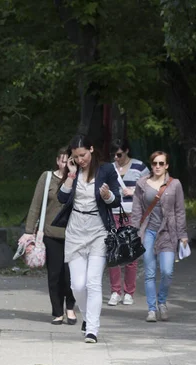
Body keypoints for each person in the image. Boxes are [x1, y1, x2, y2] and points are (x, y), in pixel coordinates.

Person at [52, 135, 120, 344]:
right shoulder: (73, 171)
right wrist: (71, 176)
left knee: (93, 282)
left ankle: (92, 328)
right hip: (75, 230)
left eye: (83, 155)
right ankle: (87, 316)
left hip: (98, 230)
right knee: (77, 285)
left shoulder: (106, 169)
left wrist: (107, 194)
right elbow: (62, 198)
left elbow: (115, 200)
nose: (81, 160)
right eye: (76, 157)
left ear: (91, 149)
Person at [19, 148, 76, 326]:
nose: (65, 164)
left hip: (74, 234)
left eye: (69, 160)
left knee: (71, 276)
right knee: (55, 274)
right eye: (62, 160)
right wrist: (29, 230)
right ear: (57, 161)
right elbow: (36, 204)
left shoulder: (78, 179)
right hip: (51, 234)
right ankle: (57, 312)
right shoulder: (47, 178)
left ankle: (70, 308)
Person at [131, 151, 188, 322]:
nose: (157, 166)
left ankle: (162, 301)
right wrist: (134, 231)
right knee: (149, 273)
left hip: (168, 233)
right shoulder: (142, 184)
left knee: (167, 271)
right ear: (151, 165)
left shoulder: (175, 184)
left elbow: (179, 211)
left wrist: (183, 234)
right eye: (154, 163)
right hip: (148, 232)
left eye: (161, 163)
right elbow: (136, 209)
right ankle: (151, 309)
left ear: (167, 166)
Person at [107, 138, 149, 306]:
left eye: (119, 154)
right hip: (113, 213)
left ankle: (129, 292)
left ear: (126, 151)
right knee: (113, 252)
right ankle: (115, 291)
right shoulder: (110, 168)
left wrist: (134, 192)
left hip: (133, 214)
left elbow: (150, 190)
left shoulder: (140, 167)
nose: (116, 158)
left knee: (131, 252)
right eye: (114, 155)